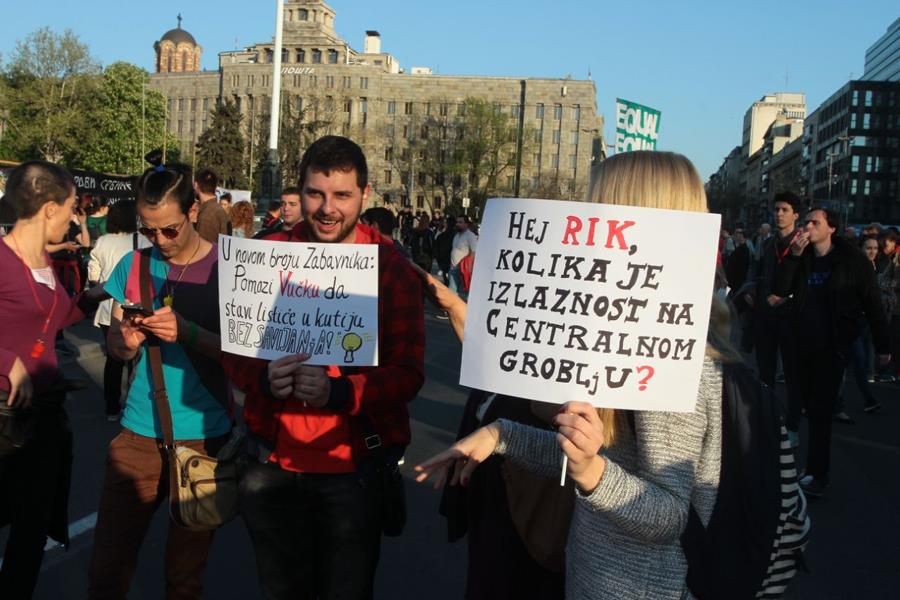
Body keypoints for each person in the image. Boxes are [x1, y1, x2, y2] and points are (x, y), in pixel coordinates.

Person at [416, 151, 727, 599]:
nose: (579, 222)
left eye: (595, 206)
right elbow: (580, 459)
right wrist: (501, 436)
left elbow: (669, 514)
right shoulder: (628, 333)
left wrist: (592, 471)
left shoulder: (677, 358)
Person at [222, 135, 425, 599]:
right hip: (271, 464)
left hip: (352, 473)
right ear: (299, 192)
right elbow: (235, 352)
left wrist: (341, 393)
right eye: (315, 193)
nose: (327, 208)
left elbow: (409, 372)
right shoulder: (267, 255)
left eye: (342, 196)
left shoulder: (390, 269)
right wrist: (263, 380)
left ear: (365, 195)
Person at [87, 163, 231, 599]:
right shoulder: (133, 264)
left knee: (184, 579)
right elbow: (115, 345)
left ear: (192, 211)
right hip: (137, 437)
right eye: (148, 231)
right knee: (107, 570)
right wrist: (125, 342)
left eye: (168, 229)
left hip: (206, 440)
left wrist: (187, 333)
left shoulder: (229, 270)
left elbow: (245, 357)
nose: (159, 241)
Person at [0, 161, 107, 598]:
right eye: (69, 208)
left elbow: (55, 317)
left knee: (32, 529)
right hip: (4, 419)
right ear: (47, 208)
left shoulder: (44, 260)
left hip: (45, 417)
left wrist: (98, 297)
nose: (73, 217)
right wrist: (7, 361)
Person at [774, 207, 890, 497]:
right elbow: (780, 288)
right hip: (802, 343)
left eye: (815, 222)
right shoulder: (802, 257)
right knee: (808, 405)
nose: (808, 227)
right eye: (807, 222)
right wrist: (794, 257)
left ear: (831, 228)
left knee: (821, 410)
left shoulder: (853, 261)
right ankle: (812, 469)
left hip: (833, 346)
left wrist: (883, 345)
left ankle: (817, 473)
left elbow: (872, 302)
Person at [87, 200, 150, 419]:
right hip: (134, 308)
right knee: (137, 360)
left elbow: (93, 277)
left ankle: (111, 406)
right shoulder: (142, 240)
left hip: (106, 309)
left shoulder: (103, 241)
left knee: (113, 360)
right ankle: (134, 406)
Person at [754, 192, 803, 445]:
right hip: (765, 316)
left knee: (793, 373)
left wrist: (788, 298)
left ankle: (793, 424)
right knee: (765, 371)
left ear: (796, 214)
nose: (779, 214)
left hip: (791, 319)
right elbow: (761, 273)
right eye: (777, 209)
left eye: (784, 209)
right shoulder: (768, 242)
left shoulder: (803, 244)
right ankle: (768, 417)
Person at [193, 167, 229, 244]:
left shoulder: (207, 215)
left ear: (196, 185)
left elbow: (204, 250)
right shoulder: (220, 210)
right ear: (216, 187)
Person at [449, 215, 478, 299]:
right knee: (451, 291)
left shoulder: (470, 236)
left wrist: (467, 267)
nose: (457, 224)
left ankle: (463, 310)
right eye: (457, 222)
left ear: (466, 224)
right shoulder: (456, 235)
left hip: (463, 270)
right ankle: (451, 311)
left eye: (460, 222)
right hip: (453, 268)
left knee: (463, 294)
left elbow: (474, 252)